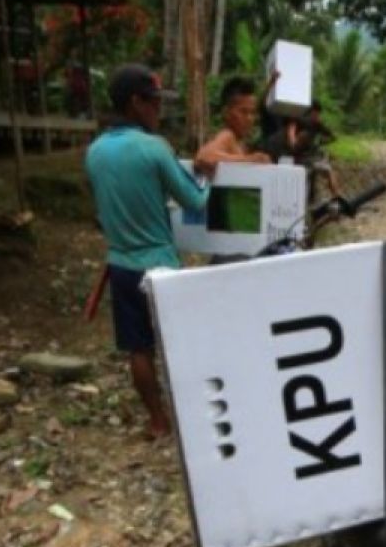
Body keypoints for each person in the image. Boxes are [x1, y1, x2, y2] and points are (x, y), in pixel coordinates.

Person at [85, 64, 208, 440]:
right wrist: (207, 177)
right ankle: (193, 417)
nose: (159, 110)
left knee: (138, 349)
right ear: (135, 103)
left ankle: (158, 420)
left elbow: (101, 209)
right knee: (178, 342)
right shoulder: (154, 148)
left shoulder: (94, 152)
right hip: (160, 265)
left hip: (121, 265)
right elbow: (195, 201)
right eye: (154, 102)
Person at [195, 74, 278, 169]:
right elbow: (205, 157)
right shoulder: (227, 136)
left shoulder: (240, 142)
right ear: (226, 112)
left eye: (252, 113)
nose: (249, 118)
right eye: (243, 112)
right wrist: (251, 159)